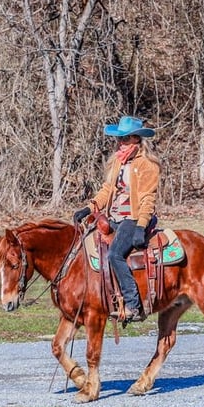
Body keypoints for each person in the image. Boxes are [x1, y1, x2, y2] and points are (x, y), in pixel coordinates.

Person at [73, 116, 161, 323]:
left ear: (136, 139)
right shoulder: (118, 161)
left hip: (133, 218)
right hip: (113, 216)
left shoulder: (147, 165)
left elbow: (148, 199)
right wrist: (89, 208)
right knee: (88, 244)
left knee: (115, 254)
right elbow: (107, 190)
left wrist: (141, 226)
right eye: (119, 138)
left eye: (125, 138)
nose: (120, 142)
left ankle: (133, 304)